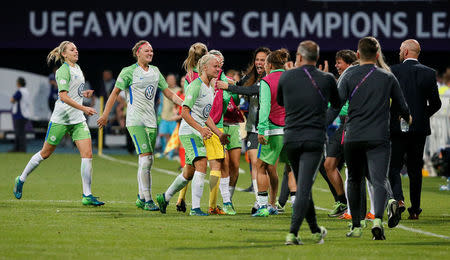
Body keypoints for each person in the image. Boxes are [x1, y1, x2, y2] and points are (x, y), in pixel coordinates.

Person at [331, 37, 411, 240]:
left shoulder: (348, 75)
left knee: (355, 180)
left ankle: (356, 226)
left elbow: (336, 106)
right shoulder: (387, 77)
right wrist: (408, 118)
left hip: (353, 136)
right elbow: (402, 107)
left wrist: (317, 124)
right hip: (378, 137)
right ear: (377, 55)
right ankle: (377, 221)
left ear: (357, 55)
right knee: (378, 179)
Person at [13, 41, 104, 206]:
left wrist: (84, 94)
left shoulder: (78, 68)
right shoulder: (63, 70)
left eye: (76, 48)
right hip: (61, 119)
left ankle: (87, 195)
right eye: (72, 49)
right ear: (64, 54)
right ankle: (21, 178)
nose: (76, 51)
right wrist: (84, 107)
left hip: (77, 119)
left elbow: (73, 92)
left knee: (87, 154)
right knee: (45, 153)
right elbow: (63, 96)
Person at [97, 40, 183, 211]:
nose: (150, 53)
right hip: (135, 120)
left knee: (147, 160)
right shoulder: (129, 72)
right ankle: (148, 200)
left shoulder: (155, 71)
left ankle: (140, 196)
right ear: (138, 53)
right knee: (146, 158)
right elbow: (114, 94)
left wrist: (185, 104)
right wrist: (105, 114)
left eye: (152, 51)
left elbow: (168, 93)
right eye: (147, 51)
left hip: (151, 121)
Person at [280, 40, 340, 245]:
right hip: (314, 138)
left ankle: (315, 230)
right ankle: (293, 233)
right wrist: (324, 121)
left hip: (291, 138)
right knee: (304, 186)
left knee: (303, 184)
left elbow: (280, 101)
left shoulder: (286, 76)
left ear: (298, 56)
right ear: (316, 57)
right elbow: (337, 105)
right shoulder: (327, 78)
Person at [156, 54, 229, 216]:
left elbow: (205, 116)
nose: (218, 69)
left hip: (198, 132)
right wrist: (201, 129)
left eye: (219, 66)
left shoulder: (210, 87)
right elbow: (185, 112)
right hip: (190, 132)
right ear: (204, 68)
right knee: (202, 164)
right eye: (215, 66)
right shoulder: (196, 86)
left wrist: (218, 133)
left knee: (189, 172)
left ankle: (165, 197)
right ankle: (195, 208)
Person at [388, 39, 442, 220]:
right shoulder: (429, 73)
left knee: (393, 166)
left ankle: (399, 200)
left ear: (404, 52)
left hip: (396, 128)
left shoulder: (393, 71)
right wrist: (420, 116)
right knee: (415, 168)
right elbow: (436, 103)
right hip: (418, 129)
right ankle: (415, 209)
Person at [217, 47, 271, 213]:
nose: (259, 63)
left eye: (263, 60)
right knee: (256, 163)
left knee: (269, 169)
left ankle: (272, 202)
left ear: (269, 62)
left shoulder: (269, 79)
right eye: (257, 59)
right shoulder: (253, 76)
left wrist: (229, 87)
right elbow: (241, 85)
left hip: (269, 127)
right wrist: (232, 83)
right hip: (254, 128)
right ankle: (259, 203)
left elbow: (250, 90)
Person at [251, 48, 289, 217]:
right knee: (289, 168)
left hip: (273, 130)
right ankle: (276, 204)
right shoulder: (291, 78)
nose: (264, 66)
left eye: (265, 63)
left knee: (260, 166)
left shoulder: (267, 81)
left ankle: (262, 205)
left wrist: (262, 130)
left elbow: (265, 108)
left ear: (270, 64)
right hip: (291, 129)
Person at [175, 42, 208, 212]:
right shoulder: (200, 79)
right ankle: (203, 206)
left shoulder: (189, 75)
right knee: (200, 164)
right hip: (198, 124)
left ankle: (176, 199)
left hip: (193, 123)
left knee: (190, 167)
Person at [324, 50, 357, 218]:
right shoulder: (340, 80)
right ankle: (342, 201)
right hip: (342, 125)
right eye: (336, 63)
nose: (336, 66)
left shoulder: (355, 78)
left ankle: (369, 207)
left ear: (349, 63)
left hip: (354, 125)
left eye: (339, 63)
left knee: (355, 170)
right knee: (329, 164)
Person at [158, 73, 181, 159]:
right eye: (168, 79)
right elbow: (161, 104)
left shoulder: (179, 90)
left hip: (174, 118)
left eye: (171, 79)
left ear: (175, 80)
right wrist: (159, 115)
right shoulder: (164, 90)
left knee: (173, 136)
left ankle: (171, 154)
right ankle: (165, 152)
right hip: (164, 116)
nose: (169, 81)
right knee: (163, 135)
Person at [10, 77, 31, 153]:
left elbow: (12, 100)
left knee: (19, 133)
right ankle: (20, 148)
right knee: (21, 132)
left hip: (20, 114)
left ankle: (19, 149)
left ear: (19, 83)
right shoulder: (26, 91)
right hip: (25, 114)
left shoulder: (20, 91)